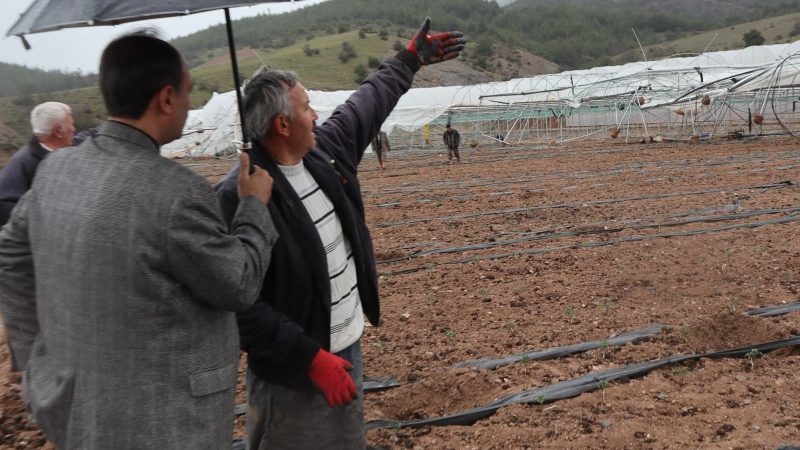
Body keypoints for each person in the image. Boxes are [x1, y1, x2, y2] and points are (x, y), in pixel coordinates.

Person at [0, 32, 278, 449]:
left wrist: (35, 354)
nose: (188, 103)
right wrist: (253, 206)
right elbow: (237, 283)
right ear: (166, 98)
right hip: (166, 422)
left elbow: (9, 255)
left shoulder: (56, 170)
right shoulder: (176, 193)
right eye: (187, 92)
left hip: (70, 405)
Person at [215, 17, 465, 449]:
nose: (316, 114)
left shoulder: (324, 155)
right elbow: (236, 304)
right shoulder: (240, 196)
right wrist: (310, 359)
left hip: (346, 346)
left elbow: (366, 104)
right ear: (282, 125)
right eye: (306, 107)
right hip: (293, 374)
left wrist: (407, 62)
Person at [0, 102, 74, 226]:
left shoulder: (48, 150)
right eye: (71, 124)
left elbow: (81, 139)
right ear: (59, 131)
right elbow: (7, 209)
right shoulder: (28, 164)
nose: (74, 129)